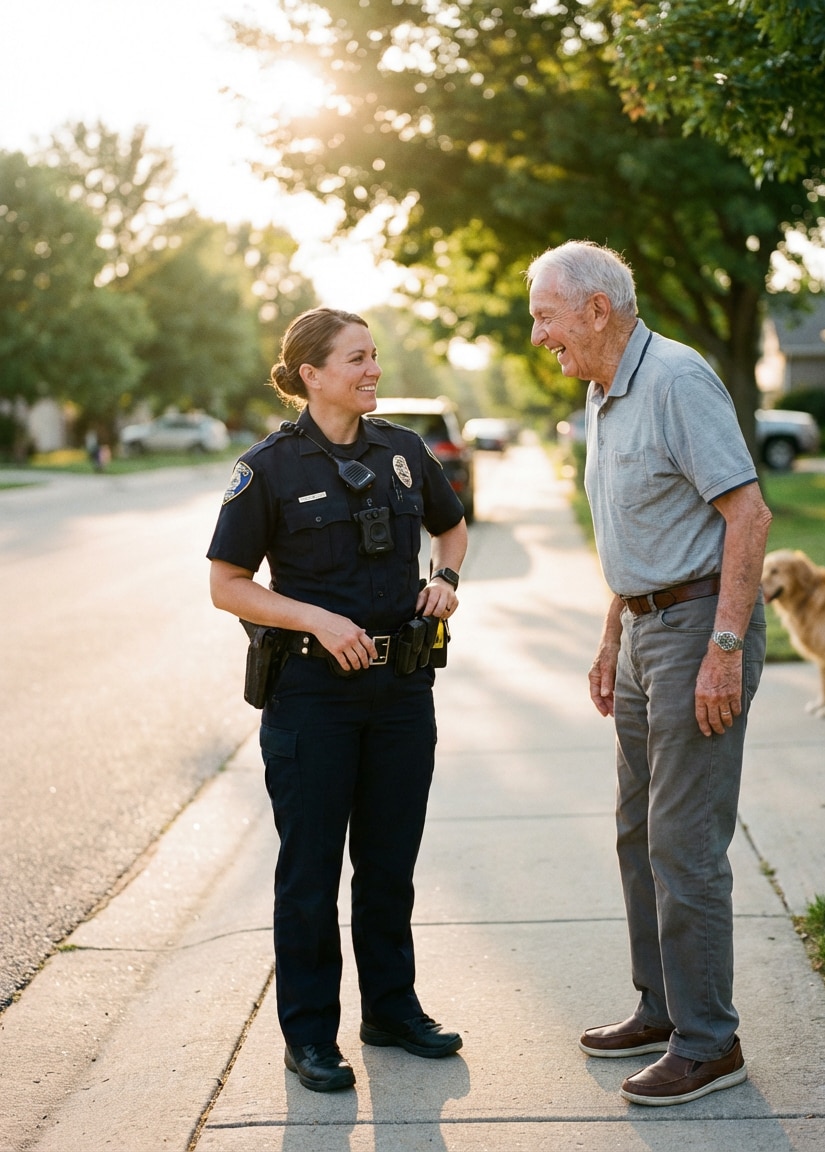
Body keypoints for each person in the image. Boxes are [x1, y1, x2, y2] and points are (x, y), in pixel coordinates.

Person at [527, 241, 772, 1106]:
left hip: (700, 630)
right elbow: (636, 538)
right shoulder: (602, 395)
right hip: (640, 630)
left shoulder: (675, 379)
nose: (537, 334)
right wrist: (609, 639)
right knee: (636, 831)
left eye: (545, 314)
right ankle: (663, 1008)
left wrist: (726, 650)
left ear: (597, 308)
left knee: (684, 842)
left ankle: (712, 1043)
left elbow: (747, 513)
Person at [207, 307, 468, 1093]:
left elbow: (451, 531)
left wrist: (445, 581)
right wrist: (315, 617)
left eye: (375, 356)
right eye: (356, 359)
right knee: (311, 874)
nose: (373, 371)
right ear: (311, 375)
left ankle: (391, 1010)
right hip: (313, 697)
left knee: (389, 864)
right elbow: (226, 586)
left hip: (401, 690)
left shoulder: (404, 452)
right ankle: (310, 1037)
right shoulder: (270, 468)